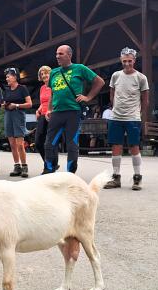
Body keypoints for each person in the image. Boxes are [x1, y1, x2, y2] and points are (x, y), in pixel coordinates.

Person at [44, 45, 105, 174]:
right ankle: (48, 170)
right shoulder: (54, 72)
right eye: (56, 54)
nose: (57, 56)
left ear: (69, 55)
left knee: (71, 143)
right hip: (57, 113)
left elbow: (99, 82)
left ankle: (70, 173)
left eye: (61, 54)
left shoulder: (80, 68)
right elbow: (53, 93)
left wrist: (88, 97)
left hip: (73, 112)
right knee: (49, 143)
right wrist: (49, 109)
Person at [103, 47, 150, 191]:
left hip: (133, 117)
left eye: (130, 61)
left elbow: (145, 99)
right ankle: (116, 177)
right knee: (116, 146)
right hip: (116, 117)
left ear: (134, 61)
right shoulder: (116, 76)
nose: (127, 64)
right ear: (121, 60)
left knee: (134, 146)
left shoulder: (141, 77)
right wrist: (115, 107)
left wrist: (138, 114)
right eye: (124, 61)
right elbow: (112, 94)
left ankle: (137, 178)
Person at [2, 67, 33, 177]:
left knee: (20, 144)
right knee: (12, 144)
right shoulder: (7, 90)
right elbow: (5, 102)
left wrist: (16, 105)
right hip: (8, 115)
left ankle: (24, 166)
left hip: (18, 115)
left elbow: (30, 104)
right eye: (6, 77)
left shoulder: (22, 88)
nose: (7, 78)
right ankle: (17, 166)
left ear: (15, 77)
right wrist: (4, 105)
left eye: (8, 76)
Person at [34, 65, 53, 165]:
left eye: (46, 73)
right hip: (42, 115)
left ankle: (50, 165)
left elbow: (56, 100)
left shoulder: (54, 86)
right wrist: (38, 110)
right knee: (38, 142)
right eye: (42, 74)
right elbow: (43, 102)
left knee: (49, 142)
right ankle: (47, 162)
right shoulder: (42, 88)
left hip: (51, 116)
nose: (44, 75)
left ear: (50, 74)